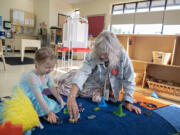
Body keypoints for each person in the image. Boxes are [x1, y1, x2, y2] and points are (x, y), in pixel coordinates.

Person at [67, 30, 141, 120]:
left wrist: (128, 101)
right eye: (99, 53)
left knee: (96, 96)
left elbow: (129, 79)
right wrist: (72, 96)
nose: (101, 57)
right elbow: (83, 72)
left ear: (114, 51)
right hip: (93, 83)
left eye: (105, 54)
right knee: (69, 86)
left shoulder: (123, 56)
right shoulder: (93, 54)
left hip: (104, 90)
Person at [19, 48, 66, 124]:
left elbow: (52, 88)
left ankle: (43, 112)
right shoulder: (32, 77)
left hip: (37, 97)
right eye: (47, 67)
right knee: (44, 107)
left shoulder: (46, 75)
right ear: (37, 63)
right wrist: (49, 112)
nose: (50, 70)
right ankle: (43, 114)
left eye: (52, 67)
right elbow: (39, 97)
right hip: (27, 99)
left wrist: (60, 99)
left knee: (52, 104)